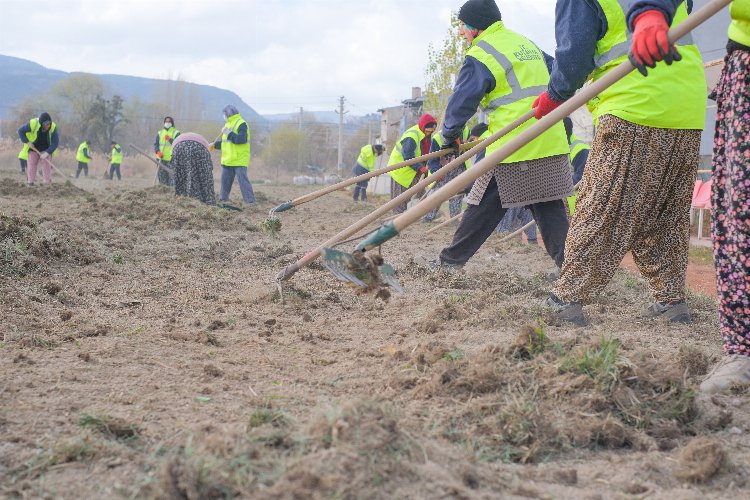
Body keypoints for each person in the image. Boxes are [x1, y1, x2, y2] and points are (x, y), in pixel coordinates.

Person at [535, 0, 706, 326]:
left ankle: (566, 300)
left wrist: (555, 94)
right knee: (666, 214)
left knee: (602, 207)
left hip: (636, 102)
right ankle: (671, 302)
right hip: (688, 102)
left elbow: (574, 58)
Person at [634, 1, 750, 392]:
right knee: (740, 216)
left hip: (655, 114)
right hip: (744, 63)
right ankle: (743, 349)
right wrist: (651, 8)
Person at [435, 0, 573, 271]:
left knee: (482, 205)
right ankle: (571, 270)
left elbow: (462, 102)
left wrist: (449, 138)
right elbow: (561, 73)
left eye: (462, 25)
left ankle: (449, 263)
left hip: (514, 146)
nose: (461, 31)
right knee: (548, 208)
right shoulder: (525, 43)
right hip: (549, 136)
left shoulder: (482, 53)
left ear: (475, 26)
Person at [387, 113, 437, 214]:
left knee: (420, 192)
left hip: (413, 170)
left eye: (431, 132)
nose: (428, 133)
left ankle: (425, 214)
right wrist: (420, 167)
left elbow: (427, 153)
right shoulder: (411, 136)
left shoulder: (426, 136)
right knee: (400, 199)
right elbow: (408, 157)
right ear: (423, 126)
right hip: (401, 170)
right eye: (427, 131)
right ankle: (398, 220)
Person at [423, 125, 471, 222]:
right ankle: (429, 217)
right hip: (443, 170)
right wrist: (437, 173)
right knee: (438, 194)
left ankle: (454, 218)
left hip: (459, 168)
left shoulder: (465, 130)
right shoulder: (438, 138)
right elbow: (432, 160)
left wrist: (467, 145)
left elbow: (469, 147)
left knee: (457, 193)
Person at [210, 105, 256, 205]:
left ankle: (251, 202)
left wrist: (229, 133)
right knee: (225, 182)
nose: (224, 116)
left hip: (239, 159)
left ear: (229, 114)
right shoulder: (227, 125)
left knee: (243, 181)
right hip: (228, 159)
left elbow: (241, 140)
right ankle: (223, 200)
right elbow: (226, 143)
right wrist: (214, 145)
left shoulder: (241, 123)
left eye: (224, 114)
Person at [172, 133, 216, 205]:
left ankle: (180, 199)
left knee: (180, 176)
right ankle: (209, 201)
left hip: (178, 147)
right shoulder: (206, 148)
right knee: (206, 177)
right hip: (199, 147)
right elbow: (208, 169)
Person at [17, 112, 59, 186]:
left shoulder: (53, 127)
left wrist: (47, 152)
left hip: (46, 148)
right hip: (34, 147)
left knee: (46, 164)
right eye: (46, 124)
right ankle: (30, 182)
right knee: (31, 164)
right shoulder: (33, 123)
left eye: (49, 124)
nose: (48, 126)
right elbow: (20, 131)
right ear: (42, 123)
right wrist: (27, 142)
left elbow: (55, 142)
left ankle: (47, 183)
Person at [563, 117, 591, 215]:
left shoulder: (580, 149)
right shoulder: (561, 147)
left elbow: (582, 178)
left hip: (581, 209)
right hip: (570, 208)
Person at [154, 116, 180, 186]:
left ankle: (171, 193)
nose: (167, 123)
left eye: (169, 122)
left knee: (172, 179)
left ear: (172, 123)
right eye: (166, 122)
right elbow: (156, 144)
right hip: (161, 159)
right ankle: (163, 193)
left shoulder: (176, 133)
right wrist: (158, 152)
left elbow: (178, 145)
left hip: (171, 159)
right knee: (162, 179)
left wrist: (170, 139)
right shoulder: (160, 133)